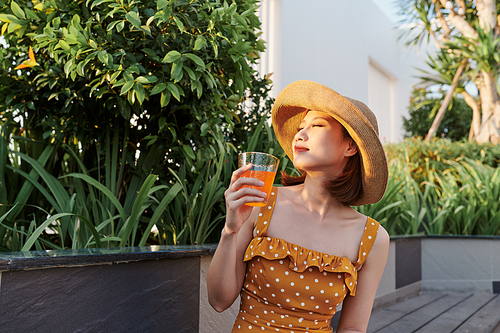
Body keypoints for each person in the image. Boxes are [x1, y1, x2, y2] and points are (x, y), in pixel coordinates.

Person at [207, 80, 390, 332]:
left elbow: (353, 328)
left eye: (316, 125)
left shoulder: (372, 238)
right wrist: (230, 231)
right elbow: (218, 301)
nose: (300, 134)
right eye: (301, 127)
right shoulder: (260, 203)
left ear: (350, 146)